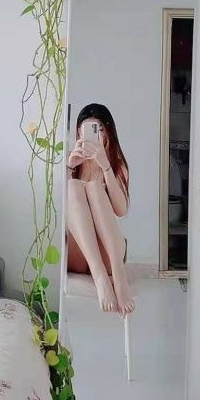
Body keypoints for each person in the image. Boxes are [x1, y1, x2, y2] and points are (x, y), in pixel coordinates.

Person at [66, 103, 134, 316]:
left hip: (109, 254)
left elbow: (120, 210)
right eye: (86, 130)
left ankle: (119, 277)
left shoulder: (116, 165)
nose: (94, 136)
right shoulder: (70, 163)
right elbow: (57, 210)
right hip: (78, 254)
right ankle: (100, 278)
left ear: (108, 133)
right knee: (73, 185)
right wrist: (69, 167)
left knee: (95, 188)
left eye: (99, 129)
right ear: (79, 133)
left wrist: (105, 167)